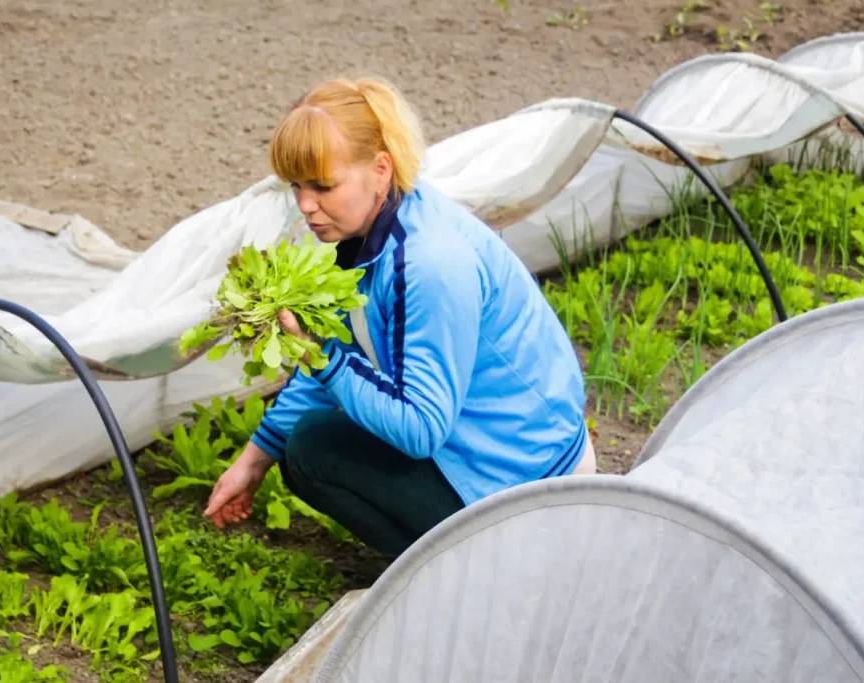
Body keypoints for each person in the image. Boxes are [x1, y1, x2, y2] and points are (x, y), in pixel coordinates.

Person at [204, 76, 594, 559]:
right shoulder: (378, 231)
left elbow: (420, 428)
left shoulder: (428, 265)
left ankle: (471, 573)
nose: (306, 205)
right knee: (308, 434)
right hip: (510, 452)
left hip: (532, 489)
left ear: (380, 169)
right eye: (297, 186)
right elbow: (338, 345)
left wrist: (324, 357)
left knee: (312, 451)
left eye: (323, 185)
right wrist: (254, 459)